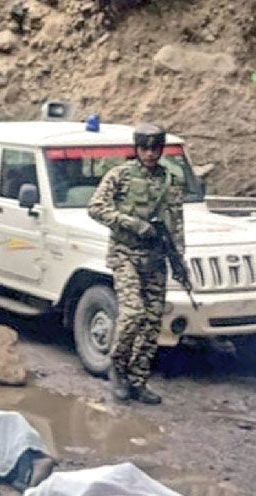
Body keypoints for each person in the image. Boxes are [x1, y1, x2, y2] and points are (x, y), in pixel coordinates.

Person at [87, 124, 183, 405]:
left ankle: (138, 380)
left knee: (153, 322)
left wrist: (179, 260)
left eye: (155, 148)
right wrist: (132, 223)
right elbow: (95, 208)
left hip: (155, 259)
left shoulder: (170, 180)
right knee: (132, 314)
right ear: (137, 148)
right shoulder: (120, 175)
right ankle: (117, 367)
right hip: (125, 255)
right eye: (145, 148)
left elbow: (176, 223)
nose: (150, 154)